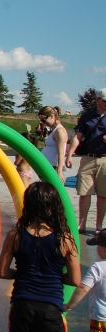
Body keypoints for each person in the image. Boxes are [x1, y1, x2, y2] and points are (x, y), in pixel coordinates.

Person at [0, 182, 80, 332]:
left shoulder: (14, 235)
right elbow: (75, 280)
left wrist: (25, 274)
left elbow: (2, 272)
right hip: (50, 309)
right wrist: (52, 277)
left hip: (21, 306)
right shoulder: (65, 239)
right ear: (54, 206)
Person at [64, 232, 106, 332]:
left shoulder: (98, 267)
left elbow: (82, 288)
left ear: (104, 249)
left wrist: (69, 305)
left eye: (98, 246)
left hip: (101, 319)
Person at [66, 88, 106, 238]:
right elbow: (78, 136)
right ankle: (81, 223)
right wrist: (70, 154)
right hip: (88, 157)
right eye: (105, 101)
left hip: (105, 158)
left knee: (103, 195)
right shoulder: (87, 116)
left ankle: (99, 225)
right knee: (84, 192)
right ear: (97, 100)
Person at [38, 106, 68, 183]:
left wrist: (59, 172)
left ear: (51, 116)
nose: (43, 123)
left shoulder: (59, 131)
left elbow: (61, 153)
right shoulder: (55, 130)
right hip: (49, 166)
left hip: (53, 167)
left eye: (44, 120)